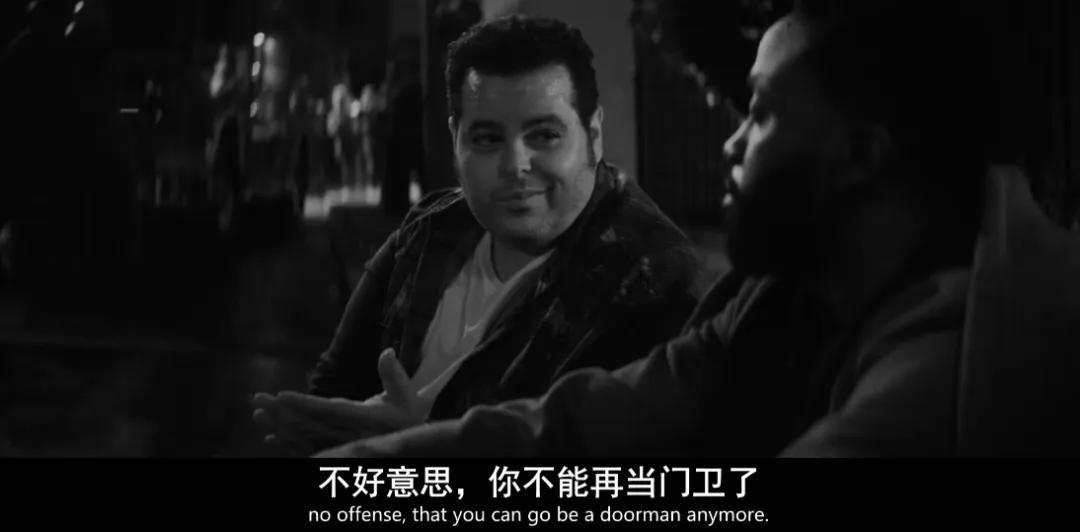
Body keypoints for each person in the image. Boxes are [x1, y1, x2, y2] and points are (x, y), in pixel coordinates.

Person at [312, 1, 1027, 458]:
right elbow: (597, 417)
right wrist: (398, 458)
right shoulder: (775, 296)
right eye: (486, 137)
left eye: (761, 112)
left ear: (862, 152)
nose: (732, 142)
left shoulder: (955, 367)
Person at [252, 16, 703, 456]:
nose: (515, 165)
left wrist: (422, 445)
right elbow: (330, 394)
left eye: (545, 135)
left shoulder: (650, 282)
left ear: (594, 136)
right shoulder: (429, 231)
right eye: (487, 139)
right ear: (456, 140)